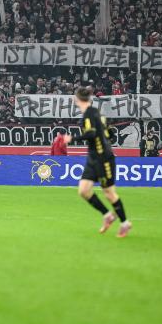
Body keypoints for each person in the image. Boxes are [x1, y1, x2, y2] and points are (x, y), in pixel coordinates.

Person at [63, 87, 132, 238]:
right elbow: (110, 134)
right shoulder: (97, 113)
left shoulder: (89, 115)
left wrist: (72, 139)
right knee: (83, 190)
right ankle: (107, 215)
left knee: (109, 193)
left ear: (77, 100)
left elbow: (92, 133)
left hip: (103, 158)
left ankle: (125, 223)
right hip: (93, 157)